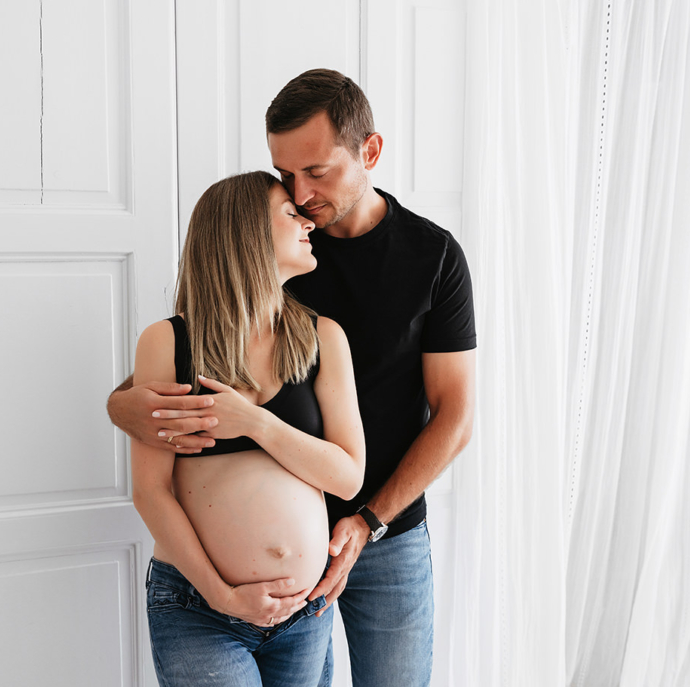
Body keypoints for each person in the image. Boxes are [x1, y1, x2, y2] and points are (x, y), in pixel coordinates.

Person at [112, 69, 476, 687]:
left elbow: (455, 416)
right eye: (286, 176)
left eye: (317, 171)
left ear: (370, 152)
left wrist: (367, 522)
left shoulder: (432, 256)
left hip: (384, 532)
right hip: (278, 564)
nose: (302, 196)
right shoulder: (279, 242)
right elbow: (174, 370)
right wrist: (123, 407)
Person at [130, 170, 366, 686]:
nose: (307, 220)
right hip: (199, 608)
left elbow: (347, 477)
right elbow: (150, 491)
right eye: (290, 213)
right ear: (247, 234)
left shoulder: (323, 338)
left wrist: (255, 422)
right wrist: (224, 596)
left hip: (303, 615)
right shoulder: (167, 345)